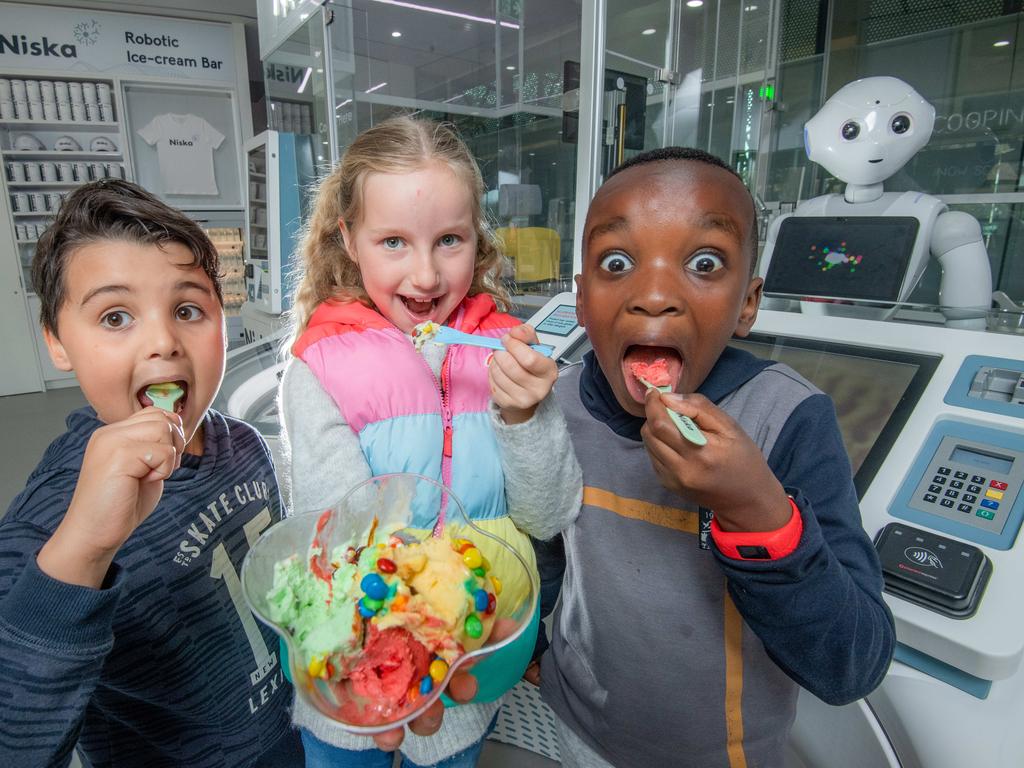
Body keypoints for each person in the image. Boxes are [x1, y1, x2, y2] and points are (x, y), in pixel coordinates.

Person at [532, 147, 896, 768]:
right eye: (616, 262)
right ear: (582, 297)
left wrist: (753, 506)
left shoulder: (788, 421)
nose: (653, 296)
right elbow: (549, 553)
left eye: (704, 263)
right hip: (568, 730)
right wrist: (530, 649)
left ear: (748, 303)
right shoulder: (555, 404)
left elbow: (851, 664)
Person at [279, 115, 581, 767]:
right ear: (349, 239)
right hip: (352, 670)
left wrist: (524, 416)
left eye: (449, 240)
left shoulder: (505, 354)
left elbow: (548, 515)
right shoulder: (321, 365)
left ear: (478, 239)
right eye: (393, 241)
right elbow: (338, 534)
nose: (425, 276)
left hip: (471, 671)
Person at [0, 179, 305, 767]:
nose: (163, 341)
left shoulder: (242, 443)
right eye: (115, 317)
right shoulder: (49, 525)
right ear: (58, 342)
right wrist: (83, 550)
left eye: (188, 310)